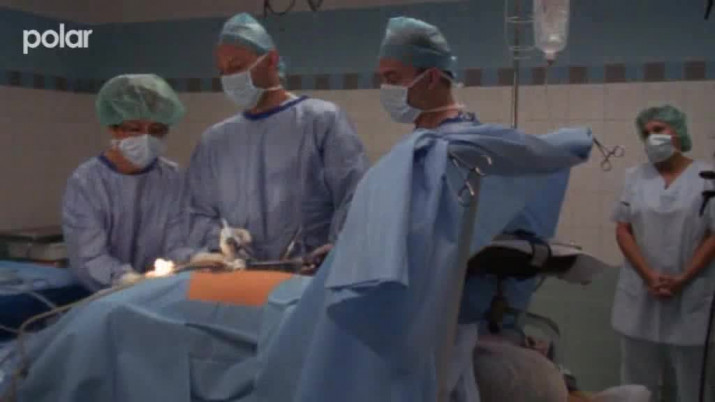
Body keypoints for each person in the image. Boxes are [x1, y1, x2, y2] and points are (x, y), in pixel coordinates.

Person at [186, 13, 368, 263]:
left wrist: (337, 251)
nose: (229, 78)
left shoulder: (322, 121)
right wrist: (220, 237)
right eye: (223, 71)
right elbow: (197, 213)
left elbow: (355, 197)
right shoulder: (214, 141)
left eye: (236, 67)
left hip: (310, 274)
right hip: (239, 277)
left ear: (271, 60)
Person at [611, 105, 715, 401]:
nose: (651, 138)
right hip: (641, 292)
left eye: (658, 130)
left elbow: (713, 234)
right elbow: (623, 229)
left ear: (678, 132)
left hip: (692, 294)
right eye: (646, 133)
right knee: (636, 385)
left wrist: (683, 278)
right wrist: (649, 276)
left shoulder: (707, 177)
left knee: (693, 385)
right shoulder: (635, 177)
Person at [62, 74, 190, 291]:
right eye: (134, 128)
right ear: (113, 127)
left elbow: (177, 243)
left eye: (156, 131)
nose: (145, 137)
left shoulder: (172, 178)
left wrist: (197, 257)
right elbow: (89, 257)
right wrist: (125, 279)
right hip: (102, 295)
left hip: (159, 292)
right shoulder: (87, 182)